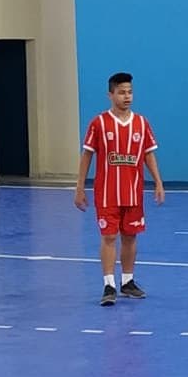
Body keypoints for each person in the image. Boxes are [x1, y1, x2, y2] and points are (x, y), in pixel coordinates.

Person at [73, 72, 165, 307]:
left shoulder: (141, 123)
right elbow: (87, 156)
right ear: (110, 94)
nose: (127, 96)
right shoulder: (99, 123)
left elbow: (148, 154)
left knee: (130, 236)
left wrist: (158, 182)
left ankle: (127, 281)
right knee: (109, 236)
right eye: (122, 92)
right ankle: (108, 284)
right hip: (106, 193)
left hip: (133, 192)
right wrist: (80, 187)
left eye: (130, 92)